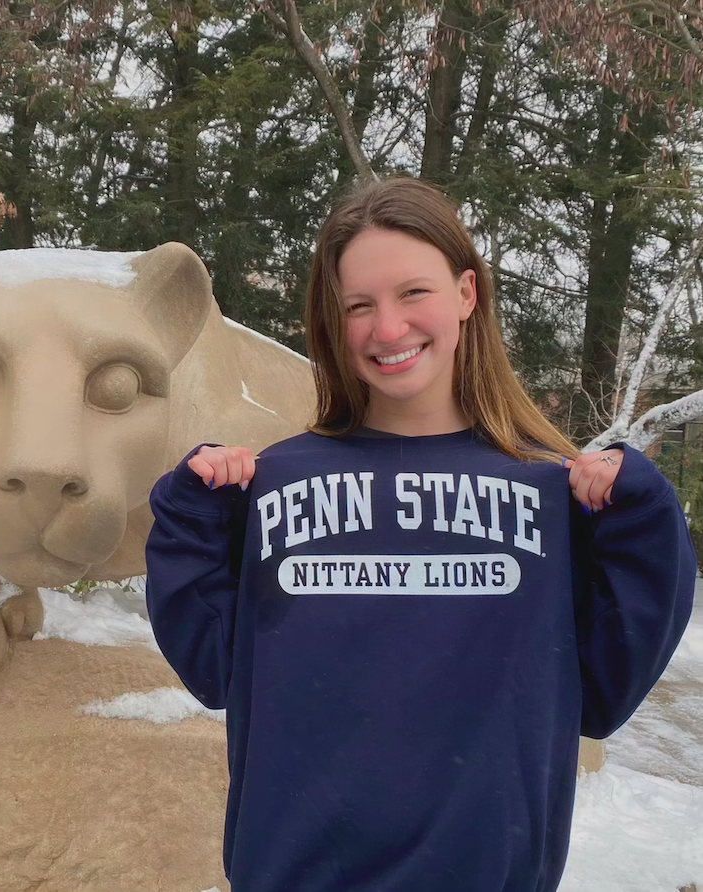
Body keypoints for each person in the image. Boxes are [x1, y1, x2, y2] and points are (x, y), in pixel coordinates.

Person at [144, 177, 697, 892]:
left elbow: (603, 694)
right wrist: (193, 516)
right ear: (332, 320)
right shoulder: (272, 487)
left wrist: (641, 517)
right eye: (359, 305)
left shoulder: (550, 497)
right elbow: (212, 672)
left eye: (413, 293)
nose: (387, 327)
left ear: (466, 294)